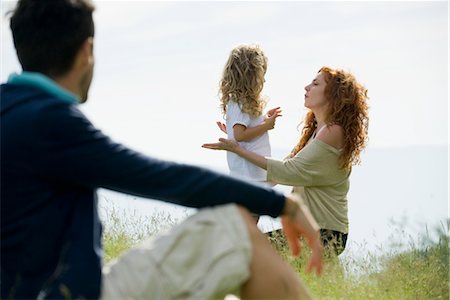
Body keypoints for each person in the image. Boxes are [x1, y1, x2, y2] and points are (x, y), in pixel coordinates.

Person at [0, 1, 323, 299]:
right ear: (87, 51)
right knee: (237, 230)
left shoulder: (11, 108)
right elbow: (164, 179)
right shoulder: (51, 122)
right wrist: (283, 204)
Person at [204, 66, 369, 256]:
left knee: (248, 253)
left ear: (333, 94)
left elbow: (288, 171)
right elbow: (276, 175)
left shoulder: (333, 132)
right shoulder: (316, 133)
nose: (306, 87)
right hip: (310, 229)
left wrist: (238, 149)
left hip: (326, 234)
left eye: (315, 84)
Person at [218, 44, 282, 223]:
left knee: (247, 225)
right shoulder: (240, 101)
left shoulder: (239, 101)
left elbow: (239, 131)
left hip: (252, 173)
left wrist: (262, 120)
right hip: (250, 174)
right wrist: (266, 126)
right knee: (247, 226)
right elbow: (240, 135)